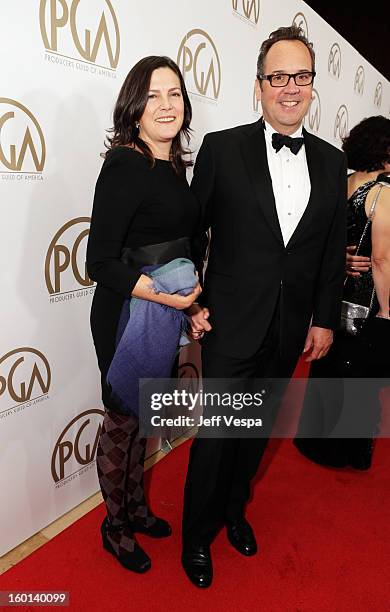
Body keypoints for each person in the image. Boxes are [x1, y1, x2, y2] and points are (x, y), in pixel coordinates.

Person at [181, 25, 347, 588]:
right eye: (278, 77)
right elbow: (189, 235)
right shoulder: (222, 148)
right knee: (219, 434)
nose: (291, 87)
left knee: (256, 431)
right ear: (258, 87)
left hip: (289, 327)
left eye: (301, 75)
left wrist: (324, 316)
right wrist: (190, 303)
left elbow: (328, 252)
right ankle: (196, 535)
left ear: (312, 84)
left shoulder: (332, 161)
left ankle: (234, 512)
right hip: (230, 323)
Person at [86, 56, 201, 573]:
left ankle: (135, 508)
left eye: (174, 93)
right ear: (134, 107)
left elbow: (178, 249)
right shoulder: (126, 164)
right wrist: (167, 298)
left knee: (143, 419)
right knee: (121, 422)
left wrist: (191, 305)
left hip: (164, 311)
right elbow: (99, 262)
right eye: (153, 95)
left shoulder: (175, 169)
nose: (166, 105)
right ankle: (114, 526)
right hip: (126, 315)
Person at [294, 116, 390, 470]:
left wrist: (338, 259)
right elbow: (380, 259)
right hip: (365, 298)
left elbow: (318, 238)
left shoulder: (341, 183)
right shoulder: (382, 192)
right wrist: (388, 311)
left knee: (329, 365)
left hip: (331, 294)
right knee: (360, 374)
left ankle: (315, 442)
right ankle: (346, 452)